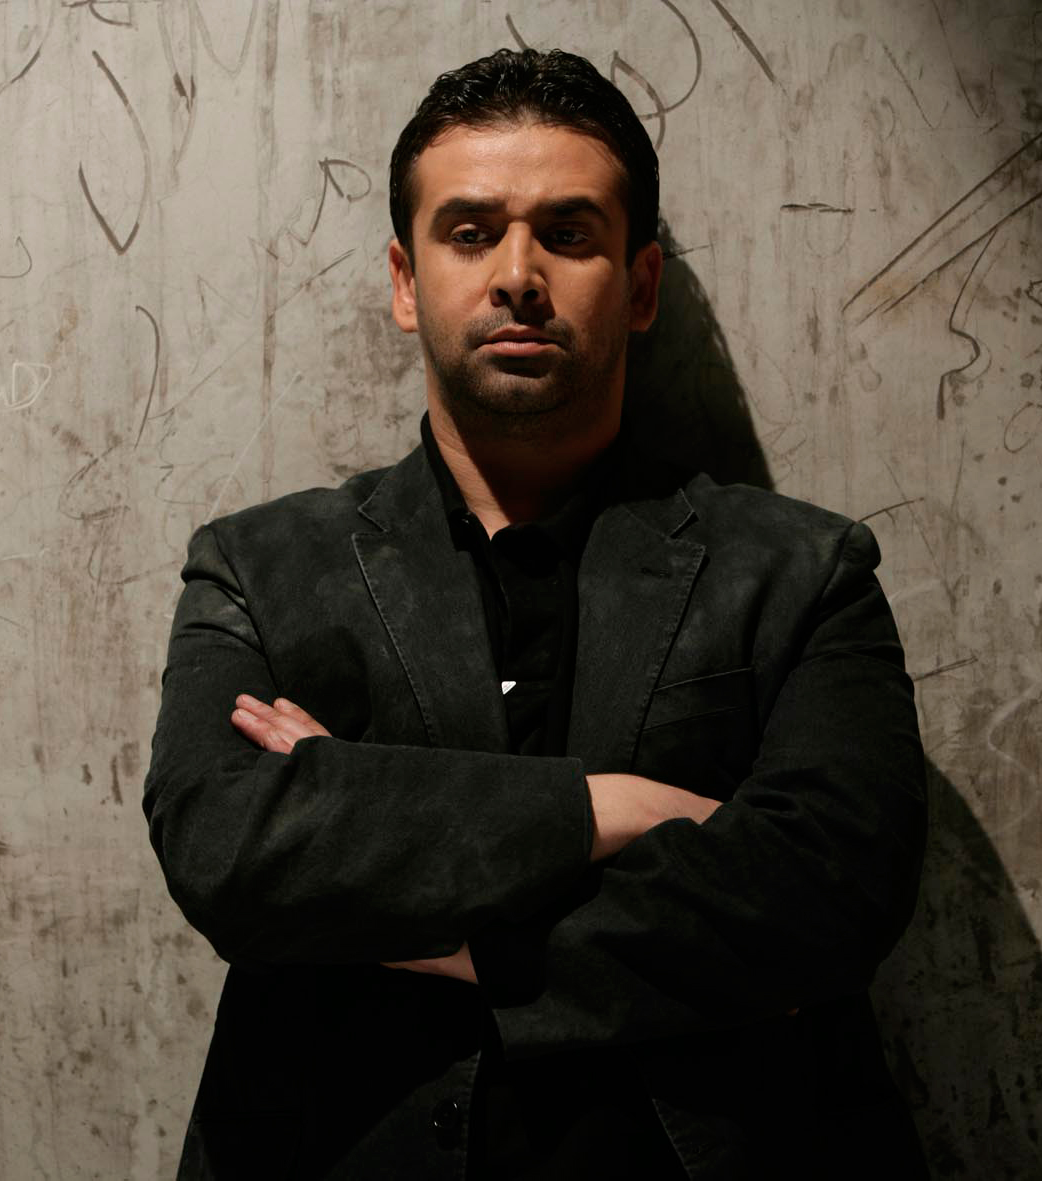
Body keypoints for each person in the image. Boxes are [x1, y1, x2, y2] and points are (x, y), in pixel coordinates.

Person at [144, 47, 928, 1179]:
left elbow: (829, 891)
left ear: (641, 286)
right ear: (404, 281)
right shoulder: (260, 566)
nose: (518, 274)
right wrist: (607, 809)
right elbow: (226, 849)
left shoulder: (802, 570)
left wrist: (427, 913)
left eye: (567, 232)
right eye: (470, 232)